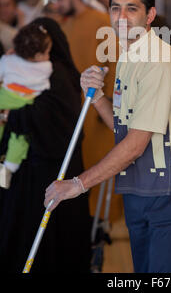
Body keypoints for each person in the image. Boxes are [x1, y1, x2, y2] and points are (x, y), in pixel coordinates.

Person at [44, 0, 171, 273]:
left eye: (131, 9)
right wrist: (97, 97)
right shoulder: (127, 56)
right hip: (139, 187)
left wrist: (78, 184)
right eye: (115, 8)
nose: (121, 17)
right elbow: (122, 127)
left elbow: (136, 144)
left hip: (170, 191)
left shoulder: (157, 61)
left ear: (149, 15)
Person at [0, 17, 91, 273]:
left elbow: (53, 121)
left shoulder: (58, 75)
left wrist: (10, 114)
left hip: (48, 170)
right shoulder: (33, 68)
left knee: (41, 236)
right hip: (33, 167)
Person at [52, 0, 122, 223]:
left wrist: (111, 104)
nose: (57, 5)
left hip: (99, 109)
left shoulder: (102, 22)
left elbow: (114, 65)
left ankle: (103, 223)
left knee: (101, 163)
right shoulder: (66, 24)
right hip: (74, 107)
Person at [0, 22, 52, 189]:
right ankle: (7, 169)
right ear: (37, 56)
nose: (48, 56)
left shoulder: (7, 60)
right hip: (23, 104)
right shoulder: (47, 68)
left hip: (4, 97)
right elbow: (45, 89)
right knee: (20, 138)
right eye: (47, 52)